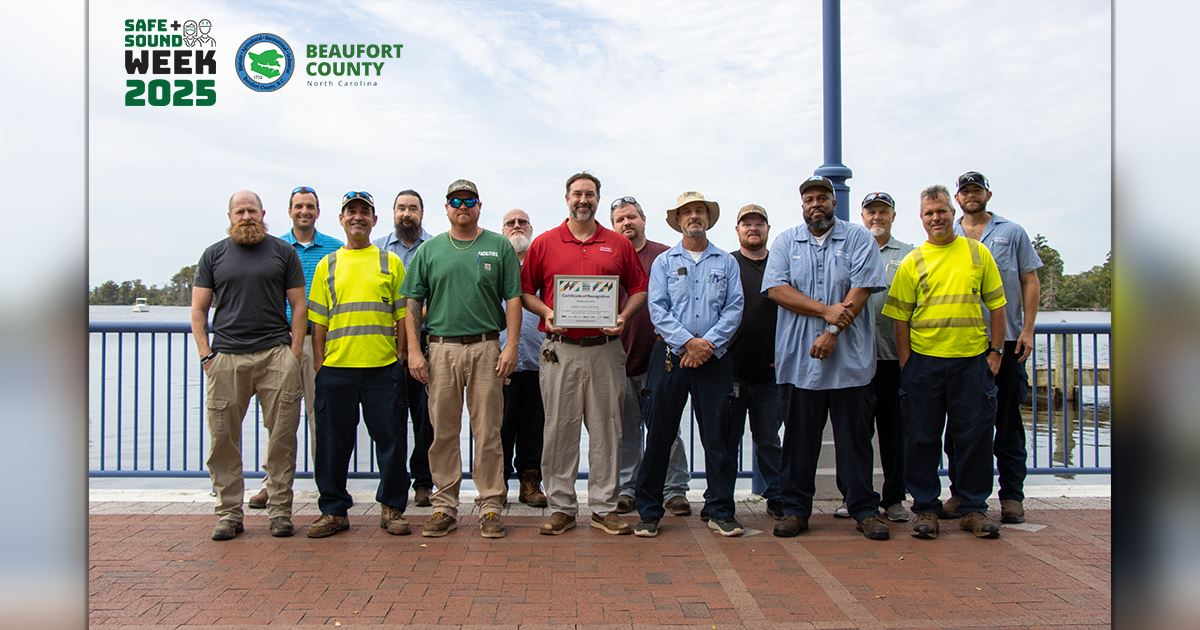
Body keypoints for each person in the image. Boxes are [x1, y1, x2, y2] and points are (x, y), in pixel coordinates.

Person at [520, 172, 648, 536]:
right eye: (577, 194)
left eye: (590, 195)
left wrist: (623, 315)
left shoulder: (617, 244)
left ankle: (604, 507)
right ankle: (561, 506)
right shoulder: (544, 243)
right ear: (566, 198)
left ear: (597, 199)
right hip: (559, 351)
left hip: (605, 350)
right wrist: (546, 313)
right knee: (559, 429)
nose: (583, 200)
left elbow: (639, 288)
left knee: (608, 429)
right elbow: (526, 290)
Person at [763, 176, 889, 541]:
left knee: (855, 442)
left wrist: (833, 332)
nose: (815, 204)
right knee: (799, 442)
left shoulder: (858, 238)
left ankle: (864, 509)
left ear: (834, 202)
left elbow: (862, 288)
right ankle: (795, 510)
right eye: (808, 199)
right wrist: (825, 312)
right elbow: (777, 289)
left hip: (850, 363)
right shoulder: (787, 241)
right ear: (802, 206)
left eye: (822, 197)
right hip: (800, 364)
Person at [881, 184, 1007, 540]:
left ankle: (972, 507)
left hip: (972, 363)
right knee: (921, 438)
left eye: (941, 212)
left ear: (953, 213)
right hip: (925, 363)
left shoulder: (977, 253)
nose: (936, 218)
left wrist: (995, 353)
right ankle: (925, 507)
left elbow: (997, 306)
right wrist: (906, 361)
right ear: (920, 219)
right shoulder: (913, 261)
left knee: (974, 437)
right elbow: (900, 318)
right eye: (928, 213)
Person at [402, 179, 521, 538]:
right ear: (447, 207)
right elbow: (410, 305)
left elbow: (513, 299)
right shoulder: (430, 250)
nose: (462, 206)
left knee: (488, 430)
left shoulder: (498, 246)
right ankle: (444, 506)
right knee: (443, 431)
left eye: (469, 200)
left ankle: (489, 505)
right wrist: (413, 351)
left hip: (486, 347)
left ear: (479, 206)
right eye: (456, 200)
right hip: (441, 348)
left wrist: (511, 346)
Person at [191, 190, 305, 540]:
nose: (246, 217)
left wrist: (294, 354)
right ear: (229, 216)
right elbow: (198, 310)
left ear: (263, 213)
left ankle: (280, 512)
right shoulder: (214, 255)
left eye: (251, 211)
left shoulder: (282, 252)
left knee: (282, 438)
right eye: (239, 212)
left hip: (275, 355)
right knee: (223, 439)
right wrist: (206, 355)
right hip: (226, 357)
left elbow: (299, 306)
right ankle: (228, 513)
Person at [633, 192, 745, 538]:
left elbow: (734, 308)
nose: (694, 216)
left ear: (708, 219)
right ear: (678, 220)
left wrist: (706, 345)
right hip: (671, 356)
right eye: (687, 212)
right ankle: (649, 512)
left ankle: (721, 509)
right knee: (660, 435)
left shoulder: (726, 262)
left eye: (700, 211)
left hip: (714, 358)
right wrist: (688, 343)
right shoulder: (665, 263)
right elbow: (658, 309)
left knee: (718, 437)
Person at [305, 191, 411, 538]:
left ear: (374, 220)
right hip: (337, 371)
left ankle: (392, 508)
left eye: (364, 212)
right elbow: (318, 321)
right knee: (333, 445)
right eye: (351, 212)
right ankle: (334, 510)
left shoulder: (389, 262)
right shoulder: (328, 264)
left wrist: (400, 357)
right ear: (341, 219)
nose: (357, 217)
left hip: (382, 369)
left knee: (392, 442)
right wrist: (321, 364)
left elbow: (402, 316)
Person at [945, 171, 1043, 524]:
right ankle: (960, 494)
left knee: (1007, 422)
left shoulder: (1011, 232)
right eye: (964, 191)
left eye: (976, 190)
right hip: (962, 344)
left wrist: (1028, 329)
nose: (970, 196)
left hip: (1008, 341)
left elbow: (1029, 279)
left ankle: (1012, 496)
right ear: (957, 198)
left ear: (988, 194)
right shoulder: (948, 234)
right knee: (960, 425)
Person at [247, 186, 343, 511]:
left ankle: (326, 487)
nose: (305, 211)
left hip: (320, 340)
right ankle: (272, 486)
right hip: (281, 341)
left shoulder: (335, 249)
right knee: (279, 419)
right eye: (299, 206)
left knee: (322, 418)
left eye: (311, 206)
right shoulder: (272, 249)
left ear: (318, 211)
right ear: (289, 211)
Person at [831, 192, 915, 523]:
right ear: (863, 216)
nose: (876, 217)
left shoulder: (909, 255)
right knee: (853, 434)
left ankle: (894, 497)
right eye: (871, 212)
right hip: (855, 357)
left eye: (883, 211)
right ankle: (853, 495)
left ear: (893, 215)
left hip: (894, 358)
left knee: (895, 433)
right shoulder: (849, 250)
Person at [610, 196, 691, 517]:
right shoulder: (610, 256)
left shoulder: (665, 256)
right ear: (614, 225)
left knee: (667, 428)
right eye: (620, 219)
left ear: (643, 219)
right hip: (619, 357)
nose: (627, 223)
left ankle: (674, 490)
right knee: (626, 430)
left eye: (632, 217)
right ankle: (627, 489)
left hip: (662, 357)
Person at [374, 190, 436, 507]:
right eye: (401, 208)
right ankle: (392, 484)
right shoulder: (378, 251)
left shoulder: (436, 247)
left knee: (425, 418)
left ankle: (423, 482)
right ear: (393, 212)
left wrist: (410, 320)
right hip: (386, 345)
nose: (406, 214)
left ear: (422, 213)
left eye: (412, 208)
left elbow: (435, 297)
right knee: (390, 420)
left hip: (425, 342)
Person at [726, 203, 785, 519]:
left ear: (767, 229)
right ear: (737, 230)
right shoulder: (727, 265)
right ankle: (722, 499)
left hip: (771, 373)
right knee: (727, 440)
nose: (753, 228)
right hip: (732, 371)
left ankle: (777, 496)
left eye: (759, 223)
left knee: (769, 441)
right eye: (746, 224)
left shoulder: (780, 265)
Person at [499, 208, 548, 507]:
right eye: (510, 223)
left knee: (535, 427)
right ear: (502, 230)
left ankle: (530, 482)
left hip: (539, 361)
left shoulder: (541, 265)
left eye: (522, 222)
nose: (517, 226)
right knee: (499, 427)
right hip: (500, 362)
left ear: (531, 228)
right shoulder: (494, 265)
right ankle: (498, 483)